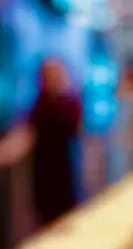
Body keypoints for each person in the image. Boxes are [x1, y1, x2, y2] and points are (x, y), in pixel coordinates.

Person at [30, 59, 82, 226]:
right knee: (45, 217)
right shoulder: (38, 104)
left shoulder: (71, 102)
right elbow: (26, 134)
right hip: (42, 170)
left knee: (67, 216)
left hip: (65, 169)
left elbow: (81, 134)